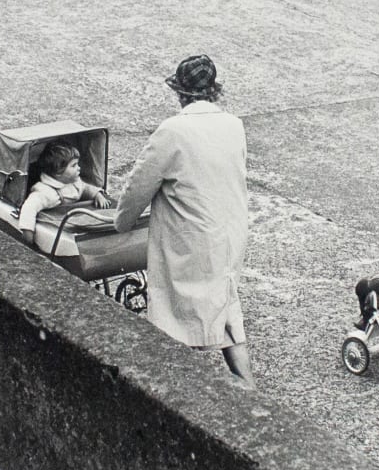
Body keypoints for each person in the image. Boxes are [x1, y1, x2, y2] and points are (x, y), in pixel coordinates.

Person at [114, 55, 254, 387]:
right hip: (228, 228)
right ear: (214, 91)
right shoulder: (233, 125)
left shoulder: (173, 131)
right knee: (223, 296)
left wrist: (122, 221)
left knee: (177, 306)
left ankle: (181, 383)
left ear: (180, 93)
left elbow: (140, 184)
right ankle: (244, 378)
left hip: (189, 233)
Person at [18, 141, 110, 247]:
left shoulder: (74, 181)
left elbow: (85, 188)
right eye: (74, 165)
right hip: (56, 220)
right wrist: (28, 232)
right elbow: (29, 208)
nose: (79, 168)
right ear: (59, 172)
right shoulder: (46, 193)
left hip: (71, 217)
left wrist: (97, 194)